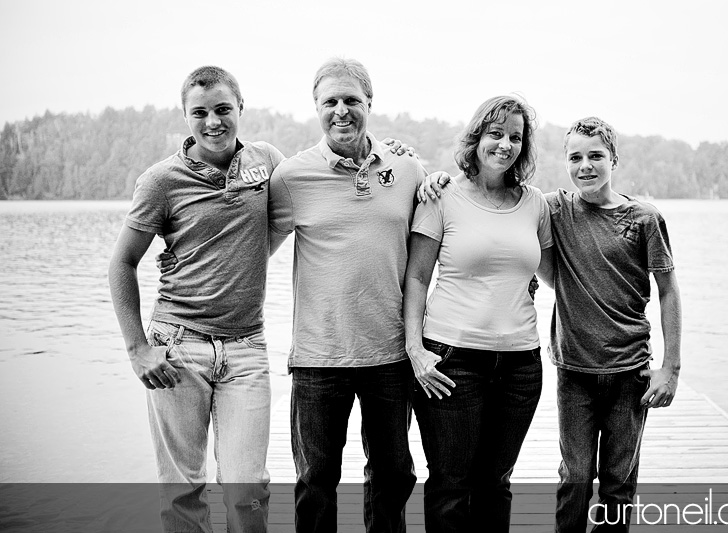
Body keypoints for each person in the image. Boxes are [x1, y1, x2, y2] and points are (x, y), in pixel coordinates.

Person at [108, 66, 280, 532]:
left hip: (246, 349)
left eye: (223, 110)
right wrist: (138, 349)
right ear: (185, 116)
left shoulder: (265, 162)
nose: (213, 122)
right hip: (177, 349)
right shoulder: (161, 180)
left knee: (248, 491)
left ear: (241, 108)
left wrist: (390, 153)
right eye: (199, 113)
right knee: (182, 491)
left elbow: (317, 182)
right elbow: (122, 264)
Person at [267, 58, 428, 533]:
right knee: (316, 480)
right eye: (330, 102)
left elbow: (442, 233)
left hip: (391, 356)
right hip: (319, 359)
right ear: (316, 108)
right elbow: (253, 248)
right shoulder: (292, 177)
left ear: (370, 104)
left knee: (394, 475)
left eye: (352, 100)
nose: (341, 111)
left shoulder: (407, 168)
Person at [403, 95, 552, 533]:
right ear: (477, 138)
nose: (505, 144)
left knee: (496, 483)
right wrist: (416, 351)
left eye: (515, 137)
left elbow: (553, 274)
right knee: (451, 485)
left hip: (522, 366)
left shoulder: (535, 204)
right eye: (496, 133)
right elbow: (416, 278)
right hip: (453, 361)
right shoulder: (441, 194)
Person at [537, 117, 683, 532]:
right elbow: (502, 196)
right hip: (574, 372)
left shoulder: (644, 219)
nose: (586, 165)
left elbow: (669, 291)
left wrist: (670, 369)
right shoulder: (555, 208)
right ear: (565, 161)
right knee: (575, 477)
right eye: (576, 157)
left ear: (613, 159)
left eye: (596, 155)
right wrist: (439, 178)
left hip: (629, 373)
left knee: (619, 484)